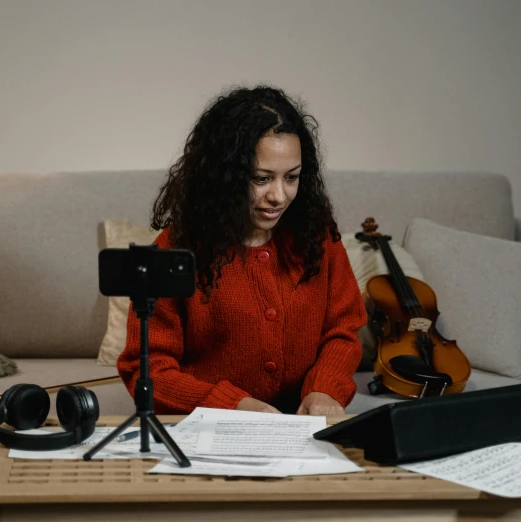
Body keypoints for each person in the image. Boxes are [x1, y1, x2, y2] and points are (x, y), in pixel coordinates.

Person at [117, 85, 367, 415]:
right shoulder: (174, 250)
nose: (279, 195)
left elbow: (343, 330)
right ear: (224, 177)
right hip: (209, 430)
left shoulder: (318, 237)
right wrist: (231, 406)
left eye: (291, 177)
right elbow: (148, 371)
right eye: (261, 179)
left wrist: (325, 388)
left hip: (302, 429)